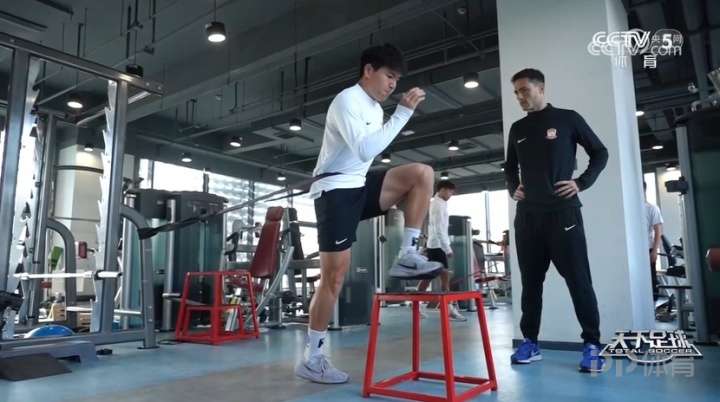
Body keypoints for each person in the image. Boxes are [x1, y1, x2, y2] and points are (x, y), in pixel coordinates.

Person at [295, 44, 444, 384]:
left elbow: (366, 155)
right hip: (334, 192)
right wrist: (403, 114)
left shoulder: (376, 110)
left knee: (421, 174)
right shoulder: (347, 100)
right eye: (389, 76)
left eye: (397, 79)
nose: (393, 85)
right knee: (334, 278)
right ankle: (313, 358)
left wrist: (396, 116)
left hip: (359, 185)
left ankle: (407, 254)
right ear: (368, 70)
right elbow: (364, 149)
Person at [503, 68, 609, 373]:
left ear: (540, 88)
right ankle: (530, 342)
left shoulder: (567, 119)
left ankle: (592, 345)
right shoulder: (518, 128)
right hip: (528, 217)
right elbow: (509, 166)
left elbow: (600, 152)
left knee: (579, 280)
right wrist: (513, 187)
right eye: (516, 92)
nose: (519, 97)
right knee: (530, 283)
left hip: (564, 214)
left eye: (524, 90)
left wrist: (581, 182)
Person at [417, 180, 466, 321]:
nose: (451, 194)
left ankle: (417, 307)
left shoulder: (441, 203)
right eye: (450, 191)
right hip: (437, 246)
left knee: (429, 277)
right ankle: (449, 309)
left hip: (435, 245)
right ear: (442, 190)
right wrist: (447, 248)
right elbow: (438, 229)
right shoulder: (437, 205)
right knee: (444, 276)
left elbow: (440, 228)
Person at [643, 181, 664, 300]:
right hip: (635, 250)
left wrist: (655, 251)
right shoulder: (630, 208)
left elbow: (658, 231)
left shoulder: (652, 208)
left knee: (651, 279)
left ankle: (653, 305)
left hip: (648, 249)